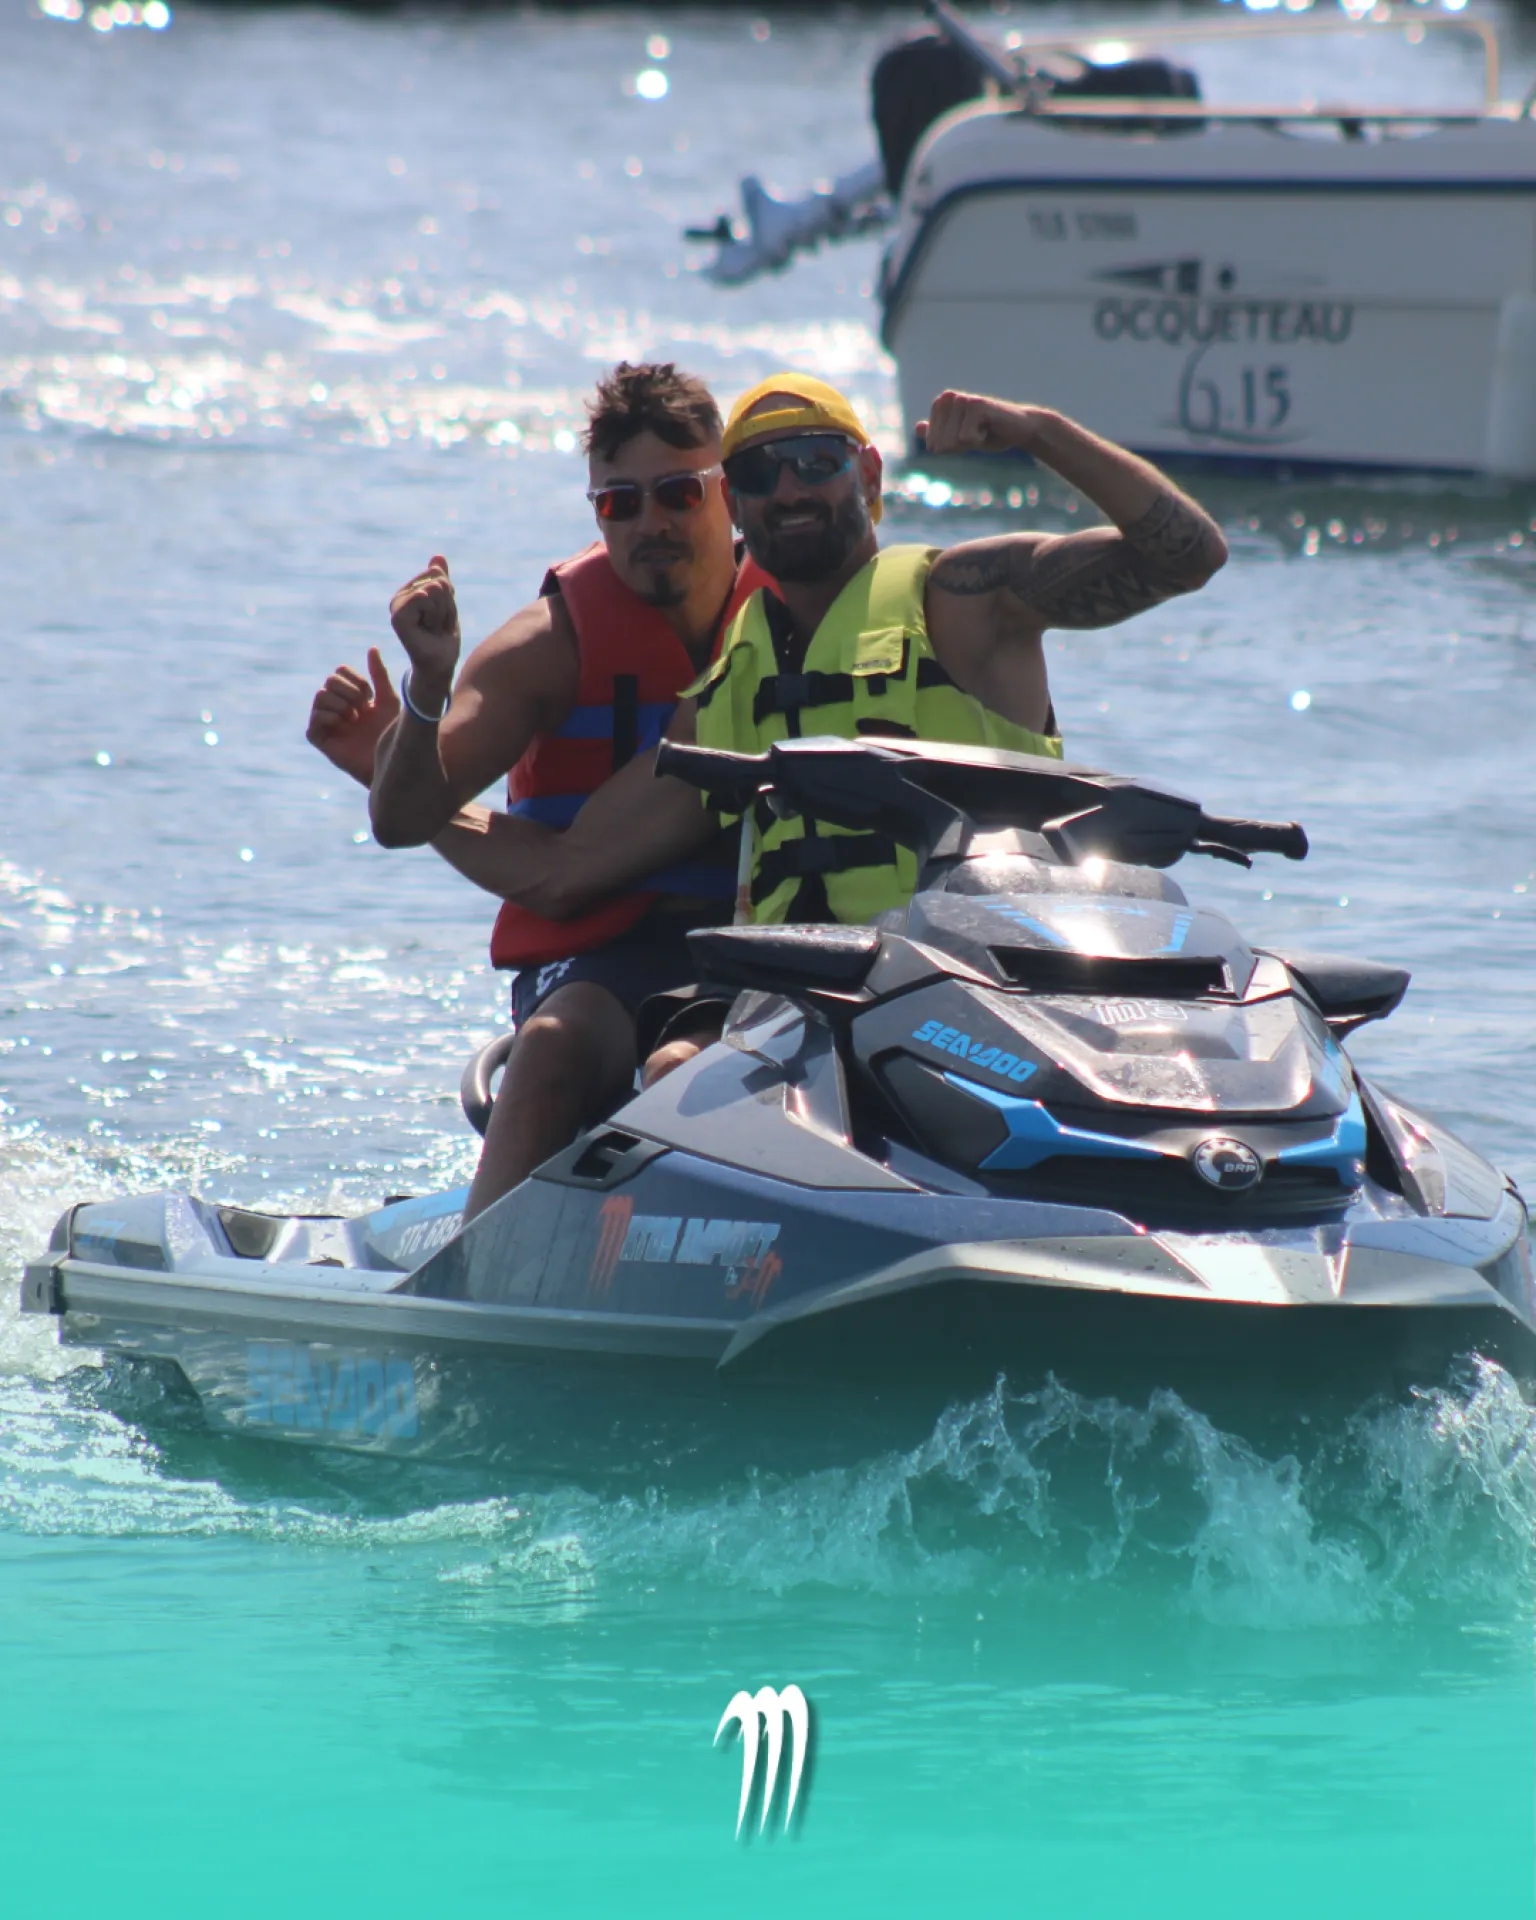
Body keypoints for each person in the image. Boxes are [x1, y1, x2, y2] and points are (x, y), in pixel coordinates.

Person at [431, 372, 1228, 1078]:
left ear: (870, 473)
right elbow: (571, 867)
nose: (789, 489)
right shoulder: (733, 685)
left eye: (817, 462)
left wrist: (1035, 431)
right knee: (677, 1065)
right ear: (734, 503)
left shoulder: (968, 601)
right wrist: (401, 766)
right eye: (757, 473)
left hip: (987, 986)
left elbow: (1187, 556)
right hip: (794, 1007)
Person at [305, 362, 769, 1217]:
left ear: (730, 493)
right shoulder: (547, 645)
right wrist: (426, 688)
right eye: (617, 502)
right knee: (555, 1044)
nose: (651, 522)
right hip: (604, 962)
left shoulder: (798, 617)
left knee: (696, 1066)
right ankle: (475, 1288)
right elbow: (401, 818)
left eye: (678, 493)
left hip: (767, 947)